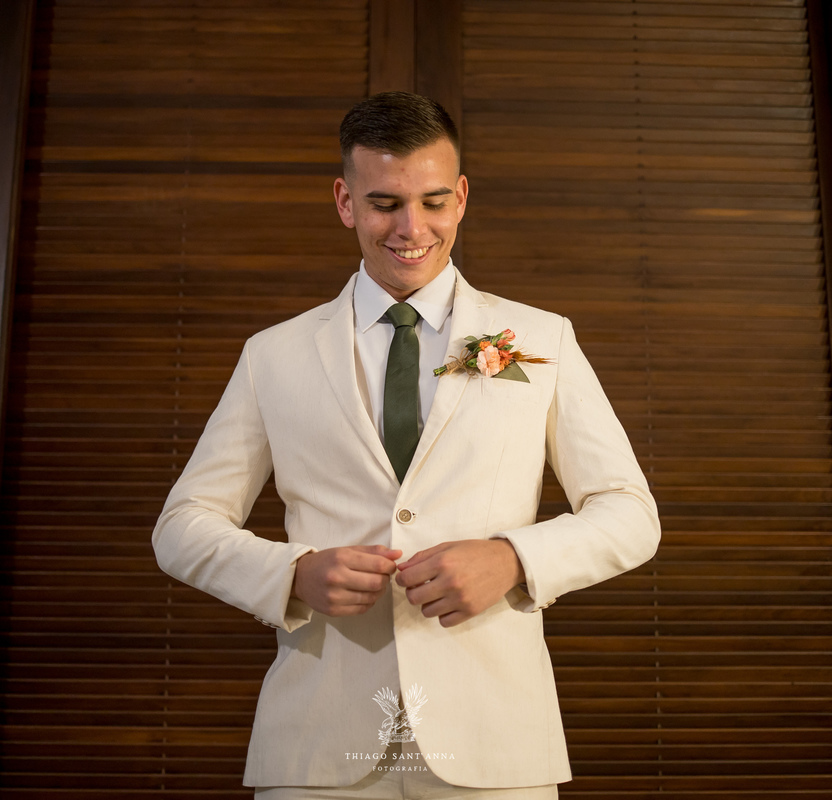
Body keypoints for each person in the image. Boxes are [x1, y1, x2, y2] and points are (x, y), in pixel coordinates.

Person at [152, 91, 660, 798]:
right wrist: (292, 574)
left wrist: (513, 559)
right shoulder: (273, 355)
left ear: (462, 197)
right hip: (318, 749)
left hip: (494, 745)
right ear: (345, 202)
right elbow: (180, 527)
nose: (412, 228)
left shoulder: (543, 339)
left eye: (433, 202)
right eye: (385, 203)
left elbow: (631, 513)